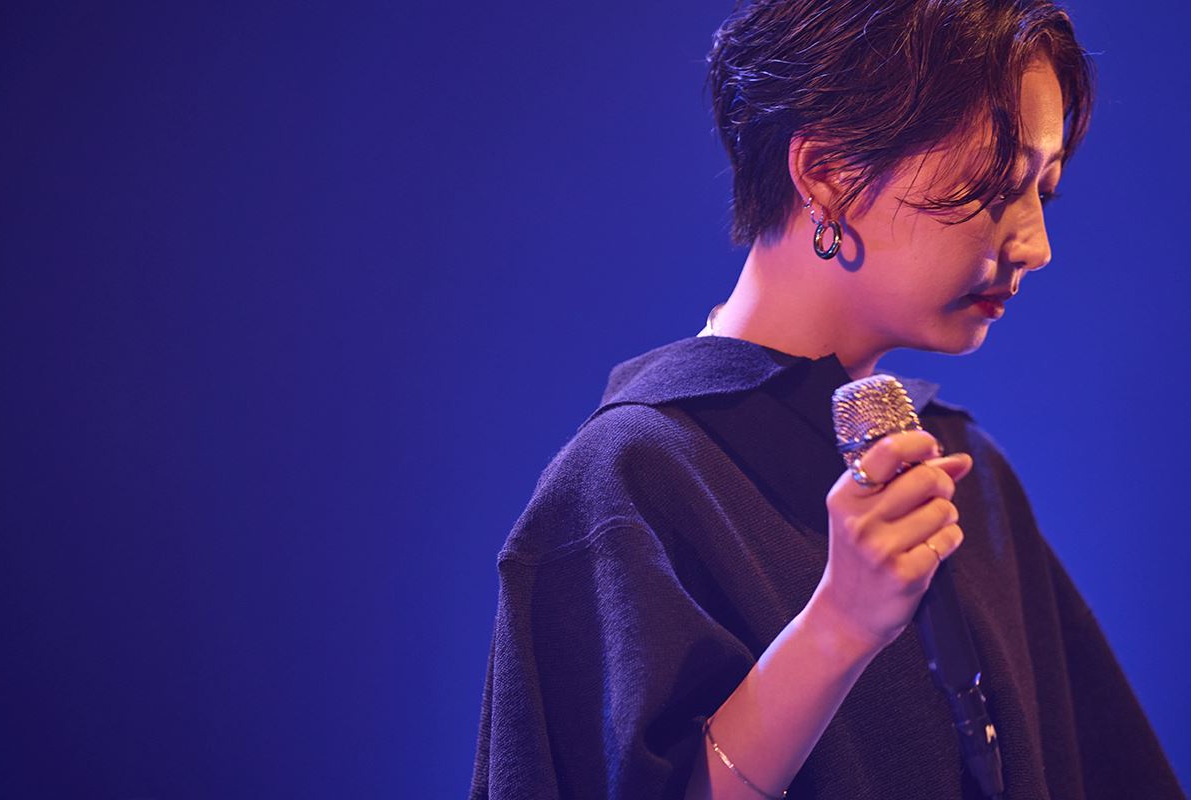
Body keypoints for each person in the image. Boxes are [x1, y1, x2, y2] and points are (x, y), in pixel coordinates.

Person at [470, 1, 1185, 798]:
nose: (1036, 246)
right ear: (827, 174)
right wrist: (838, 625)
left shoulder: (966, 471)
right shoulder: (630, 482)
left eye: (1042, 192)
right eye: (993, 185)